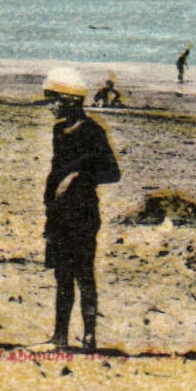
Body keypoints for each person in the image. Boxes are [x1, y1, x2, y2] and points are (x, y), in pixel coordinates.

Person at [39, 66, 121, 352]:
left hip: (83, 214)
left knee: (83, 273)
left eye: (54, 100)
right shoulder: (60, 130)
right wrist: (50, 207)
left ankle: (89, 336)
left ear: (69, 101)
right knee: (62, 275)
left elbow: (112, 173)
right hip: (60, 214)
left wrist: (78, 176)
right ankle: (59, 336)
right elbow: (54, 172)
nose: (50, 106)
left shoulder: (92, 132)